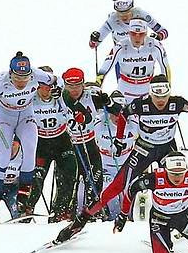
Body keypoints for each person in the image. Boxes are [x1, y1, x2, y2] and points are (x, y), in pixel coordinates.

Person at [56, 74, 188, 240]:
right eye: (156, 96)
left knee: (175, 182)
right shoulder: (142, 105)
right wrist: (119, 140)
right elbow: (124, 114)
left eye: (164, 96)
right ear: (150, 93)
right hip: (145, 148)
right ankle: (81, 220)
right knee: (117, 186)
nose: (160, 101)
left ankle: (181, 221)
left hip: (167, 148)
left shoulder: (177, 103)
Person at [0, 52, 57, 222]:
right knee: (3, 160)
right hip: (5, 121)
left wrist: (58, 89)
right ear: (11, 74)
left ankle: (23, 199)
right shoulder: (2, 82)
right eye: (18, 79)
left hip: (26, 117)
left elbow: (56, 80)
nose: (21, 83)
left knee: (29, 154)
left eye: (25, 79)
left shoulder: (37, 74)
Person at [60, 68, 124, 217]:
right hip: (68, 143)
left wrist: (108, 102)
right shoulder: (60, 97)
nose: (74, 90)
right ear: (65, 85)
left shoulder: (91, 97)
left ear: (83, 85)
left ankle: (92, 211)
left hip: (89, 143)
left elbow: (118, 112)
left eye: (77, 86)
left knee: (95, 178)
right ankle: (64, 212)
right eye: (70, 86)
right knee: (70, 178)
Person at [28, 68, 77, 221]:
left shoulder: (60, 94)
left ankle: (60, 210)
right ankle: (27, 209)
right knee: (37, 177)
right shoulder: (31, 98)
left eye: (50, 84)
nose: (47, 88)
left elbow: (73, 106)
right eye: (43, 84)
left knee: (68, 172)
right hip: (41, 143)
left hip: (61, 140)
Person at [96, 18, 170, 99]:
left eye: (141, 34)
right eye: (133, 34)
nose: (137, 37)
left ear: (146, 33)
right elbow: (105, 68)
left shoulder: (155, 45)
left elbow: (165, 67)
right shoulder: (120, 46)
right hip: (126, 87)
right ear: (129, 33)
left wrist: (167, 89)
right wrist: (98, 85)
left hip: (147, 87)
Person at [89, 0, 168, 49]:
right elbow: (93, 45)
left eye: (127, 12)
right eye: (120, 14)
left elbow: (164, 32)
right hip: (122, 56)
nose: (124, 17)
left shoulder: (141, 15)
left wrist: (158, 37)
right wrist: (94, 39)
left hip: (143, 54)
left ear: (132, 9)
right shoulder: (112, 20)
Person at [95, 103, 137, 220]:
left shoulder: (132, 125)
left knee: (129, 193)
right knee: (109, 192)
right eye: (114, 114)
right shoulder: (100, 125)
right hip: (106, 168)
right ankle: (113, 218)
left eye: (120, 115)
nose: (118, 118)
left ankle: (130, 219)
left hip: (126, 166)